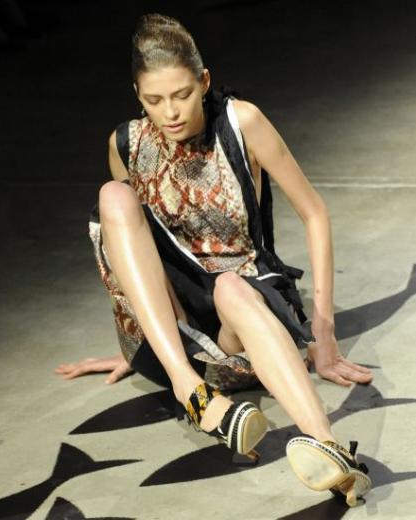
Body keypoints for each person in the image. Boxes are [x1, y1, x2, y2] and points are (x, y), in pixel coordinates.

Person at [56, 13, 373, 506]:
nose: (170, 112)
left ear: (203, 81)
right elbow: (129, 251)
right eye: (153, 100)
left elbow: (314, 212)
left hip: (238, 327)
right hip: (176, 340)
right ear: (137, 95)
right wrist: (135, 341)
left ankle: (330, 452)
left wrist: (324, 332)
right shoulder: (125, 142)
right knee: (113, 197)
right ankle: (188, 387)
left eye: (182, 94)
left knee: (230, 287)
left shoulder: (241, 122)